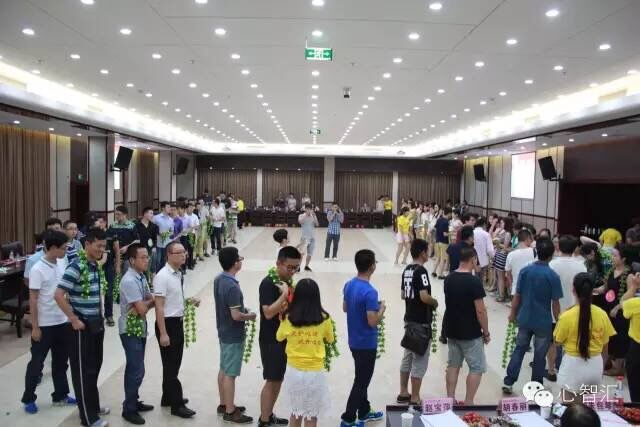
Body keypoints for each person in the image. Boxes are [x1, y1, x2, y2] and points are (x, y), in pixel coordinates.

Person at [54, 227, 109, 427]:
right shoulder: (76, 266)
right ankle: (88, 418)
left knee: (94, 368)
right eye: (98, 246)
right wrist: (73, 319)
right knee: (82, 372)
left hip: (97, 324)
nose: (101, 250)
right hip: (81, 327)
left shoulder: (95, 265)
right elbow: (58, 295)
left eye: (103, 246)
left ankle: (93, 406)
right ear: (87, 244)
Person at [21, 230, 76, 414]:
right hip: (44, 325)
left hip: (62, 322)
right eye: (63, 248)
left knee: (61, 362)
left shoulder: (61, 262)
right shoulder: (37, 269)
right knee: (37, 363)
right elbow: (33, 300)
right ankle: (29, 398)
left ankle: (60, 395)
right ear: (52, 247)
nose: (65, 251)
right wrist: (35, 327)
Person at [503, 238, 563, 393]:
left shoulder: (525, 271)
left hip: (524, 318)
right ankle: (536, 387)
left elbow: (517, 296)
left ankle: (509, 381)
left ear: (537, 252)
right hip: (543, 321)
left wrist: (512, 313)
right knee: (539, 355)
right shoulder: (553, 276)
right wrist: (559, 322)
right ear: (551, 256)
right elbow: (555, 304)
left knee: (519, 349)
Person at [276, 279, 334, 427]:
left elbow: (279, 337)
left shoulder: (288, 317)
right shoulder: (325, 318)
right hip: (315, 373)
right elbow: (330, 339)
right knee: (311, 415)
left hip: (294, 372)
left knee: (296, 413)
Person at [153, 241, 199, 418]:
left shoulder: (178, 273)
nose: (183, 255)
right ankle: (177, 405)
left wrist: (189, 301)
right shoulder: (162, 276)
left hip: (177, 322)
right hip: (168, 325)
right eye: (179, 253)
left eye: (184, 252)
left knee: (173, 364)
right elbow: (159, 307)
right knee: (171, 365)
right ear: (169, 255)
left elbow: (174, 297)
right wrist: (163, 333)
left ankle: (167, 397)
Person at [258, 246, 302, 427]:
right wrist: (284, 295)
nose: (293, 271)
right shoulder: (268, 283)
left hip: (283, 338)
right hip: (271, 339)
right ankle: (264, 420)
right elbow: (268, 312)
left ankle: (268, 415)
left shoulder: (287, 281)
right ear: (278, 263)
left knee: (278, 379)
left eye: (296, 268)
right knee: (272, 380)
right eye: (289, 267)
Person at [554, 273, 616, 402]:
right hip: (595, 366)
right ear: (592, 291)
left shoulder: (566, 316)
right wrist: (601, 368)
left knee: (570, 409)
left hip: (572, 367)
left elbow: (557, 342)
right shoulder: (602, 314)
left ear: (573, 290)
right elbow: (605, 347)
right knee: (588, 410)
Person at [341, 249, 385, 427]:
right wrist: (381, 309)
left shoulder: (349, 285)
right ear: (372, 266)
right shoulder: (370, 292)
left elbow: (345, 308)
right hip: (366, 343)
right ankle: (348, 418)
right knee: (361, 381)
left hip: (354, 340)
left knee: (361, 375)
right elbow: (372, 321)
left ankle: (365, 411)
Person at [443, 246, 490, 405]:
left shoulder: (449, 278)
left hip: (452, 330)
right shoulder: (474, 281)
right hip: (471, 332)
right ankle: (469, 401)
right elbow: (480, 311)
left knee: (453, 365)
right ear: (473, 259)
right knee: (476, 367)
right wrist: (486, 332)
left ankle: (450, 399)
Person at [214, 247, 255, 424]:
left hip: (223, 330)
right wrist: (250, 316)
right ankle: (230, 412)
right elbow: (236, 316)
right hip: (233, 333)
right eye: (239, 259)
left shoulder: (219, 279)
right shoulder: (232, 287)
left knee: (224, 368)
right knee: (230, 374)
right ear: (235, 263)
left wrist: (240, 310)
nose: (241, 261)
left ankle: (224, 403)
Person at [397, 239, 438, 406]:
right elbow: (424, 296)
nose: (428, 254)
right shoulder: (421, 271)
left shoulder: (407, 269)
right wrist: (435, 302)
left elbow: (403, 295)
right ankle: (415, 397)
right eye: (427, 251)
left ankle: (403, 392)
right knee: (419, 359)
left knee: (407, 356)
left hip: (409, 320)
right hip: (421, 322)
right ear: (422, 253)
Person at [118, 244, 155, 425]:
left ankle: (133, 400)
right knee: (136, 369)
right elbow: (142, 308)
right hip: (130, 330)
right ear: (132, 260)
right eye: (143, 257)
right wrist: (147, 304)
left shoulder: (141, 276)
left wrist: (147, 303)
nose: (147, 260)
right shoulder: (129, 281)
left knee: (137, 368)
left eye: (147, 257)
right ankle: (129, 409)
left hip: (140, 327)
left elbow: (149, 299)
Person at [547, 235, 587, 380]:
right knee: (571, 342)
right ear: (575, 248)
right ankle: (567, 369)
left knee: (553, 341)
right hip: (574, 309)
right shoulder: (581, 266)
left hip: (553, 310)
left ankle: (551, 370)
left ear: (558, 246)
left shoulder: (552, 265)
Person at [596, 245, 631, 376]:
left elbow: (629, 295)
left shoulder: (629, 275)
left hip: (620, 311)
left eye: (615, 256)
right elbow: (606, 287)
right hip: (608, 308)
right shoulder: (612, 271)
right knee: (609, 336)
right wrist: (595, 290)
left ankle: (618, 367)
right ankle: (609, 361)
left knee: (620, 337)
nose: (612, 258)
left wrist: (617, 307)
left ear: (623, 259)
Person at [105, 206, 140, 327]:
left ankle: (127, 302)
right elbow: (108, 240)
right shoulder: (112, 226)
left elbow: (137, 240)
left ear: (125, 215)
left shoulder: (131, 226)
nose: (117, 216)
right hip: (114, 258)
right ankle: (114, 302)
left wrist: (127, 247)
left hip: (126, 257)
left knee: (126, 280)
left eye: (119, 214)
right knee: (113, 281)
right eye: (116, 214)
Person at [622, 271, 640, 402]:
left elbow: (623, 302)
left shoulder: (636, 303)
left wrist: (633, 286)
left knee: (636, 388)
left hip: (637, 350)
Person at [505, 229, 536, 297]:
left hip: (515, 290)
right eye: (531, 239)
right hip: (530, 290)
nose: (531, 241)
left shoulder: (510, 255)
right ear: (527, 239)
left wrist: (511, 286)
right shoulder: (534, 252)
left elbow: (508, 274)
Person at [492, 217, 514, 302]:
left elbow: (505, 247)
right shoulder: (504, 231)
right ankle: (500, 293)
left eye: (502, 223)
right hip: (499, 253)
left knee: (501, 276)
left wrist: (497, 243)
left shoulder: (508, 233)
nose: (501, 224)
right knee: (499, 275)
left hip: (502, 255)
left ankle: (501, 295)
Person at [135, 207, 159, 278]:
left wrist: (154, 247)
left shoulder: (154, 226)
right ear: (145, 214)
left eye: (153, 214)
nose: (152, 215)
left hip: (150, 250)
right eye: (151, 213)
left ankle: (149, 280)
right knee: (140, 267)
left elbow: (155, 239)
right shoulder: (136, 225)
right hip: (139, 250)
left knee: (149, 267)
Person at [152, 201, 175, 273]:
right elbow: (152, 228)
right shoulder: (156, 218)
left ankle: (162, 274)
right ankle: (156, 274)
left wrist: (166, 234)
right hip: (158, 243)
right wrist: (159, 233)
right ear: (163, 208)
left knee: (164, 260)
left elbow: (172, 231)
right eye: (168, 207)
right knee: (157, 260)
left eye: (169, 207)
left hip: (167, 243)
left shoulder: (171, 219)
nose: (170, 208)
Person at [473, 217, 494, 286]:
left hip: (471, 260)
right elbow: (490, 250)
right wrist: (492, 257)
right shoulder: (486, 234)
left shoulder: (472, 232)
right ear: (484, 224)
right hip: (483, 261)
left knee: (472, 278)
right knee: (480, 279)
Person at [298, 203, 319, 272]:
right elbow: (300, 222)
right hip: (304, 238)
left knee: (310, 253)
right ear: (305, 209)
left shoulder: (313, 216)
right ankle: (298, 267)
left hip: (312, 237)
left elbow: (317, 224)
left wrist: (314, 216)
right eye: (308, 209)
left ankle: (306, 266)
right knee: (301, 253)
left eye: (311, 209)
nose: (309, 210)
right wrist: (306, 215)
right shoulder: (301, 215)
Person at [433, 207, 452, 279]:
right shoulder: (446, 222)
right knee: (443, 259)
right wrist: (451, 233)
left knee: (438, 257)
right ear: (449, 213)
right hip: (444, 242)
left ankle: (434, 272)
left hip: (437, 241)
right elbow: (445, 234)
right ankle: (440, 274)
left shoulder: (439, 219)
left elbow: (435, 228)